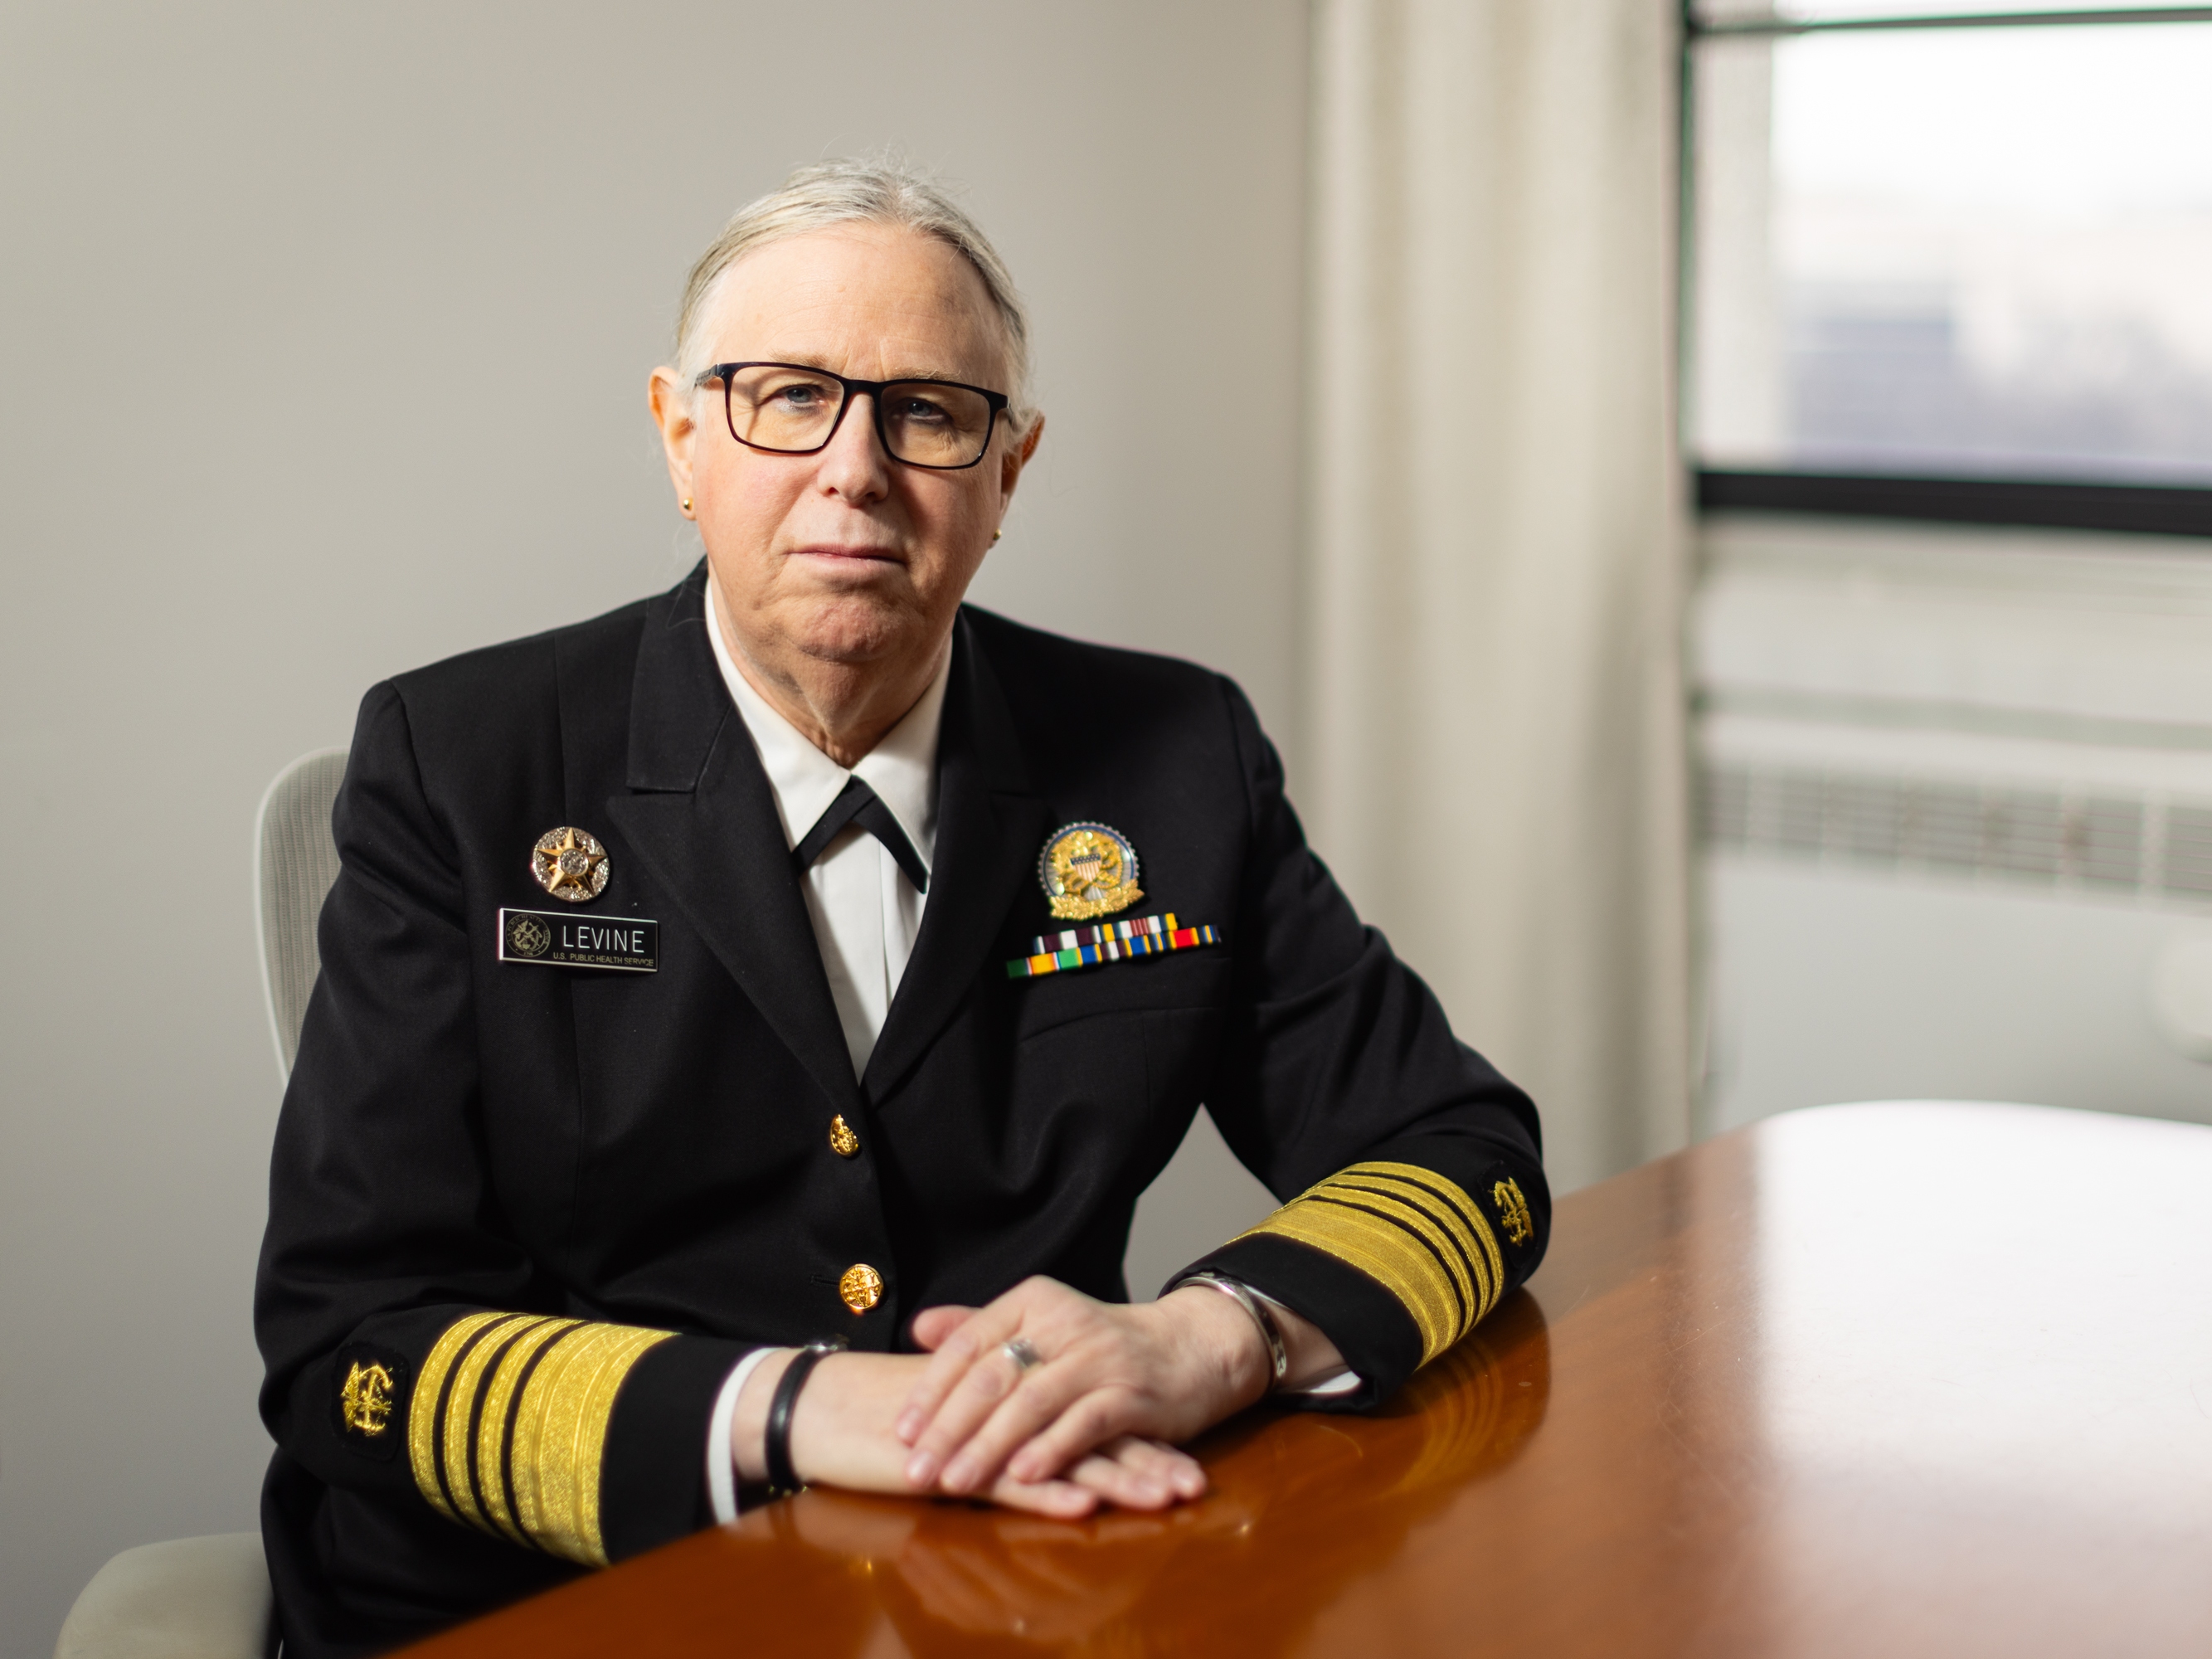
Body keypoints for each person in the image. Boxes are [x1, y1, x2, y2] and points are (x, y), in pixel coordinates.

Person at [255, 158, 1549, 1657]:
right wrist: (794, 1408)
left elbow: (1463, 1151)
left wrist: (1210, 1341)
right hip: (560, 1608)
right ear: (680, 437)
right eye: (787, 397)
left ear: (1011, 472)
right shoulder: (460, 767)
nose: (856, 469)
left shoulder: (1175, 762)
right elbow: (354, 1342)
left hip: (1017, 1596)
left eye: (929, 412)